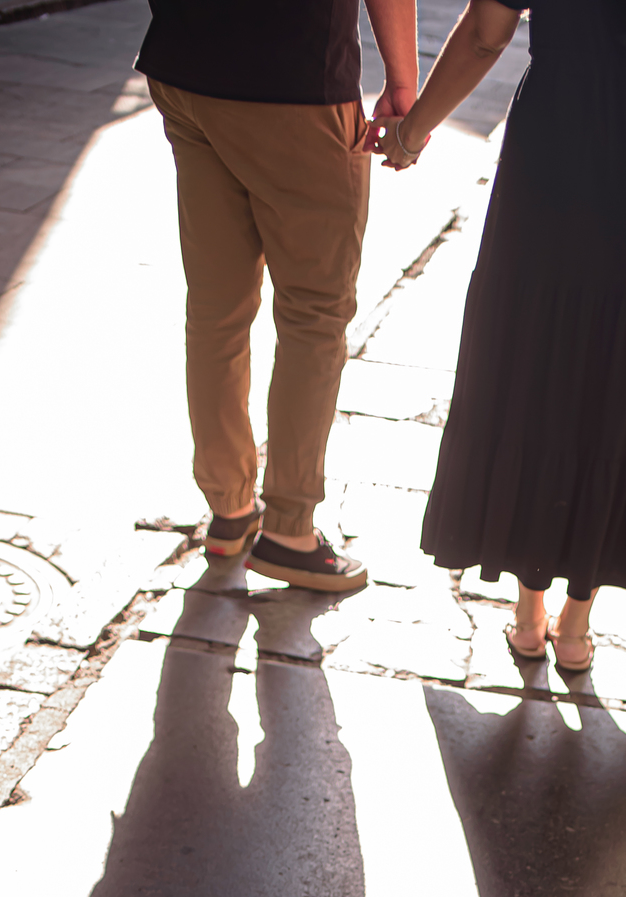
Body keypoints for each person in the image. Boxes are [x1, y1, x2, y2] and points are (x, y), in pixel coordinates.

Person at [371, 0, 626, 667]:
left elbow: (484, 36)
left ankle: (528, 609)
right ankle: (577, 620)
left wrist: (413, 132)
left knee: (536, 362)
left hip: (553, 152)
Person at [136, 0, 419, 595]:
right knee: (314, 314)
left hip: (184, 66)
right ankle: (290, 531)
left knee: (216, 307)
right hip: (295, 79)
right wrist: (402, 81)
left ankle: (230, 508)